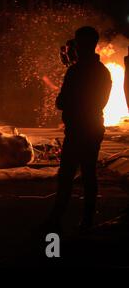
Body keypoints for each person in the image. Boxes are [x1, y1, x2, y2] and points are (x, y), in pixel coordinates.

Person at [49, 26, 112, 233]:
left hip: (77, 129)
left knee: (66, 175)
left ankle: (56, 220)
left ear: (82, 45)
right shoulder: (103, 71)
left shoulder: (75, 71)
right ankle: (87, 221)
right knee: (89, 174)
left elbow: (61, 102)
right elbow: (101, 102)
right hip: (93, 127)